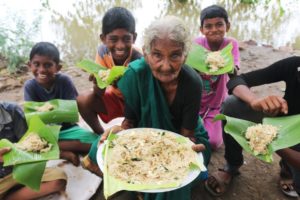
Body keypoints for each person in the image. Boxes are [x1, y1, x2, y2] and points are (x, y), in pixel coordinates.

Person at [99, 16, 211, 200]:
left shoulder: (192, 83)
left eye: (175, 55)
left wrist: (183, 151)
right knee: (102, 146)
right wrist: (120, 131)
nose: (165, 66)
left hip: (183, 138)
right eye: (157, 55)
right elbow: (130, 122)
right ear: (145, 53)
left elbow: (186, 135)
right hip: (145, 131)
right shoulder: (135, 74)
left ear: (185, 56)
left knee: (177, 179)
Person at [205, 56, 300, 198]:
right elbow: (238, 80)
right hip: (283, 122)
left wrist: (269, 141)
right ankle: (232, 164)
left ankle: (288, 167)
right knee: (232, 105)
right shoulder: (295, 65)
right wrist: (254, 101)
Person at [77, 6, 142, 175]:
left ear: (134, 37)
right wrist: (98, 82)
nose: (120, 46)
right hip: (115, 98)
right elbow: (99, 92)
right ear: (103, 39)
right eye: (113, 39)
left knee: (134, 132)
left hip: (135, 103)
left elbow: (139, 97)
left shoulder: (138, 58)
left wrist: (124, 82)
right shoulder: (102, 52)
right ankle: (100, 133)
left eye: (126, 39)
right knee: (83, 100)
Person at [24, 42, 98, 166]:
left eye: (48, 65)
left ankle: (58, 148)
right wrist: (58, 111)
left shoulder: (64, 81)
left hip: (68, 129)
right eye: (36, 64)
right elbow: (33, 120)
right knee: (29, 144)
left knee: (95, 142)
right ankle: (63, 153)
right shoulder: (30, 86)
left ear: (58, 68)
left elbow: (71, 112)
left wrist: (44, 112)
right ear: (29, 65)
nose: (41, 69)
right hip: (45, 133)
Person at [195, 5, 240, 150]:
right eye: (208, 26)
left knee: (213, 143)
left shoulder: (231, 44)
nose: (214, 29)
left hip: (216, 104)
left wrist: (224, 63)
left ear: (227, 26)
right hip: (195, 101)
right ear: (201, 29)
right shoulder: (197, 44)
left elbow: (234, 72)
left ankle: (212, 125)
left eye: (219, 24)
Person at [0, 102, 67, 199]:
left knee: (58, 180)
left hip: (20, 168)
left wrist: (40, 148)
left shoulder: (12, 111)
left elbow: (26, 141)